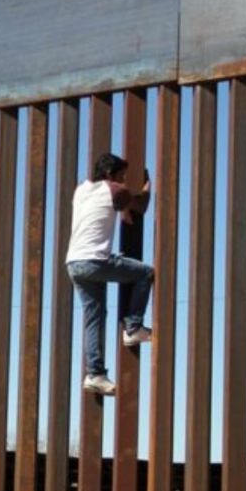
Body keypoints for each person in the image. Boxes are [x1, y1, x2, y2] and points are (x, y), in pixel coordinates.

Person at [65, 153, 154, 396]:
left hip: (74, 263)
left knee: (95, 316)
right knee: (145, 273)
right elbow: (140, 207)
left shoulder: (81, 190)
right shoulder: (115, 190)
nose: (124, 180)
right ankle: (133, 327)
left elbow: (120, 213)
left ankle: (94, 374)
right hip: (95, 261)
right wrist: (147, 185)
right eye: (121, 176)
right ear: (109, 175)